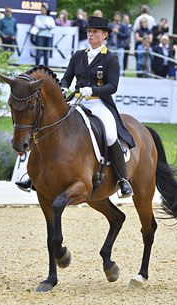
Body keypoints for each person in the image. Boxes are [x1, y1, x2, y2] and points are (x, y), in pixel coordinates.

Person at [16, 16, 134, 198]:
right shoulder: (79, 55)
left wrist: (92, 90)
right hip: (77, 100)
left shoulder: (111, 59)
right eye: (89, 31)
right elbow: (67, 77)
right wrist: (62, 86)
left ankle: (122, 179)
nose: (91, 35)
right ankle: (33, 176)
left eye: (95, 32)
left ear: (105, 35)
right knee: (47, 124)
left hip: (99, 103)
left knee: (110, 134)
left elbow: (112, 86)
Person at [107, 11, 128, 76]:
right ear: (113, 17)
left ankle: (120, 76)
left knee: (120, 62)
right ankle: (110, 75)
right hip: (111, 46)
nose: (117, 18)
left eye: (118, 16)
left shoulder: (123, 26)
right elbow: (106, 35)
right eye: (116, 16)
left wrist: (118, 32)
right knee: (110, 62)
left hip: (120, 46)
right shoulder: (110, 25)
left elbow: (125, 36)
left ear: (121, 18)